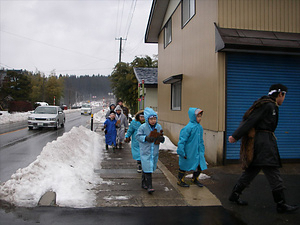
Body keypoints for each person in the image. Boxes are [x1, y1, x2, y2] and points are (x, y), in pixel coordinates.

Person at [228, 84, 298, 213]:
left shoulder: (268, 104)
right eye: (284, 96)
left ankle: (235, 194)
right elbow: (251, 120)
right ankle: (281, 204)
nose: (284, 99)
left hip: (263, 142)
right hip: (264, 144)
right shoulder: (268, 105)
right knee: (273, 172)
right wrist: (235, 136)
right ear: (280, 94)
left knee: (251, 171)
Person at [136, 107, 164, 194]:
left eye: (155, 118)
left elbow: (162, 137)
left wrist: (161, 138)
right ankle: (149, 186)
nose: (153, 121)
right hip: (145, 151)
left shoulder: (158, 127)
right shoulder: (142, 127)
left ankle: (143, 183)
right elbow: (138, 136)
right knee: (147, 168)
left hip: (154, 151)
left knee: (148, 167)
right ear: (147, 119)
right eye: (151, 119)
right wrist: (146, 138)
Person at [177, 108, 207, 188]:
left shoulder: (199, 128)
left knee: (199, 165)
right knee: (184, 166)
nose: (199, 118)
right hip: (188, 151)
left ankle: (195, 178)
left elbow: (200, 140)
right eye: (198, 116)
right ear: (193, 117)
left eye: (200, 116)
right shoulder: (188, 128)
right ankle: (180, 180)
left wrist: (202, 150)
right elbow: (182, 141)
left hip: (197, 151)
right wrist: (181, 152)